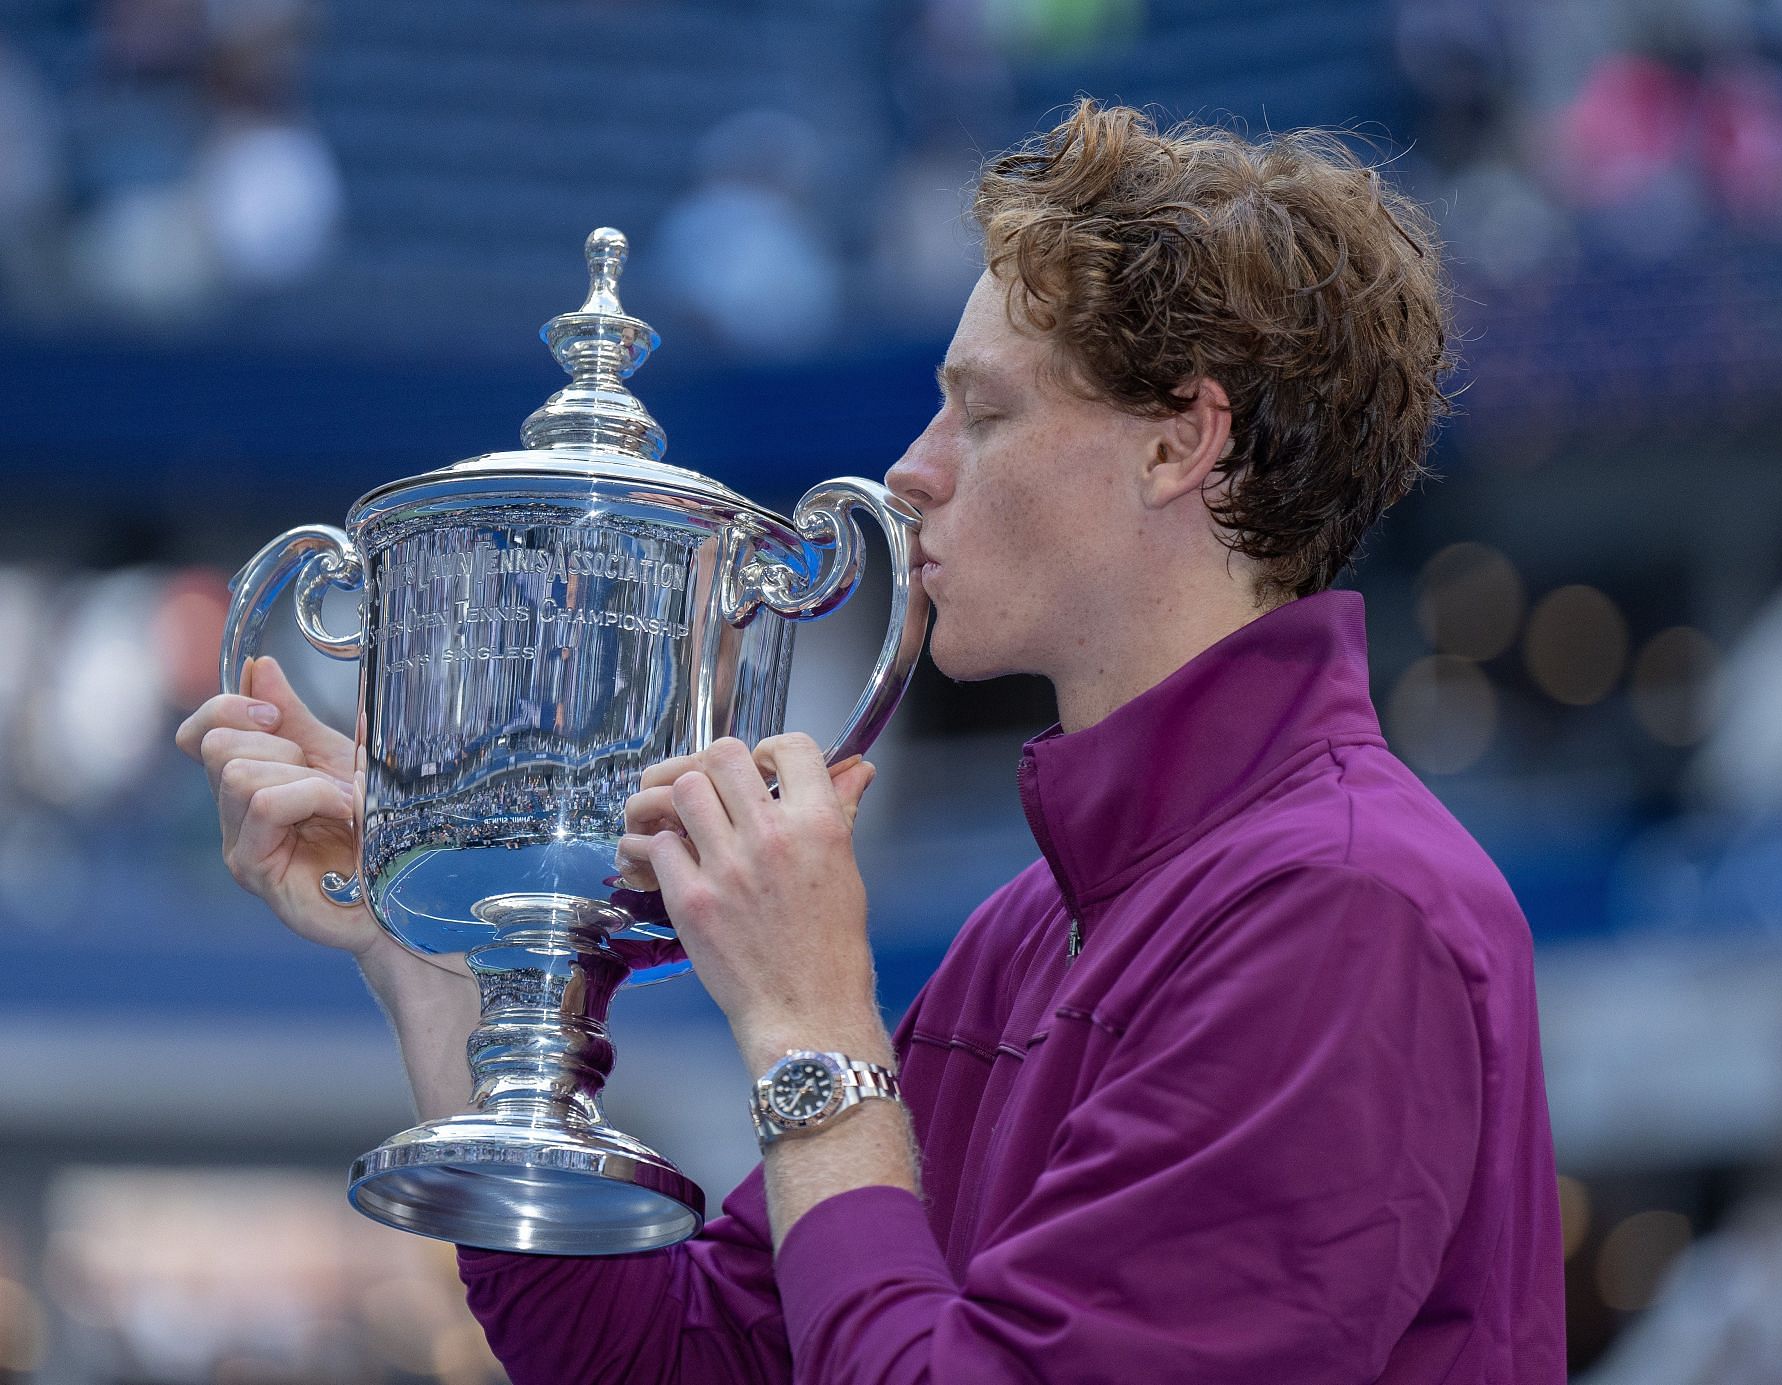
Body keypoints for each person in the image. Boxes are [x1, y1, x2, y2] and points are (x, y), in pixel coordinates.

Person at [178, 100, 1565, 1383]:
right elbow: (677, 1357)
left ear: (1178, 444)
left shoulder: (1341, 908)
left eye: (987, 407)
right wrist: (449, 966)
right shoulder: (1042, 925)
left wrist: (812, 1027)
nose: (913, 467)